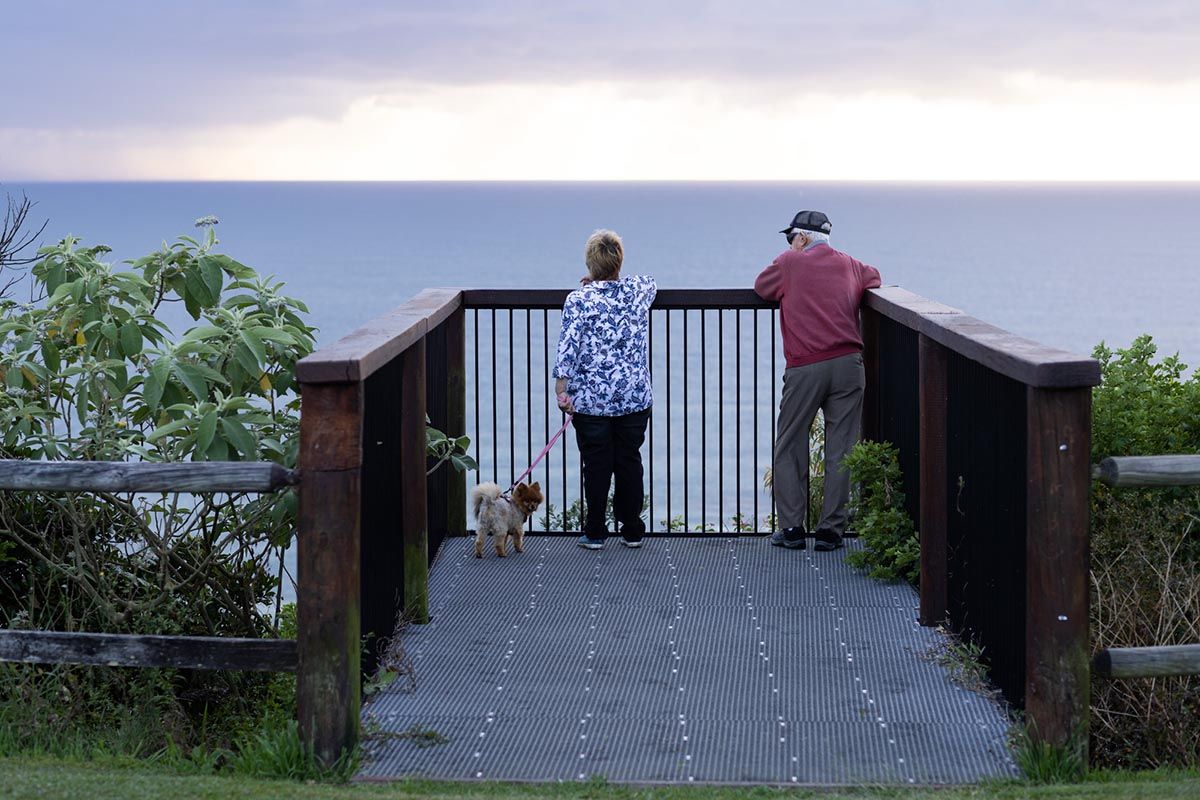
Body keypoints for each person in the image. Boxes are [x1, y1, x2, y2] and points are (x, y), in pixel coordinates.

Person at [754, 210, 882, 551]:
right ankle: (830, 531)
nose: (790, 244)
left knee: (789, 443)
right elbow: (874, 277)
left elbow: (762, 287)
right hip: (849, 365)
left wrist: (788, 262)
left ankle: (792, 529)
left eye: (791, 238)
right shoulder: (850, 264)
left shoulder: (789, 263)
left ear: (803, 237)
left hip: (806, 366)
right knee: (842, 447)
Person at [553, 229, 656, 550]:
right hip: (634, 396)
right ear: (619, 262)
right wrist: (610, 278)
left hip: (591, 400)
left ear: (589, 263)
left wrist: (561, 389)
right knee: (629, 460)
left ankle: (595, 531)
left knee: (596, 464)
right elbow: (649, 281)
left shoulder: (579, 300)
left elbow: (568, 346)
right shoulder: (637, 292)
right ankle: (632, 529)